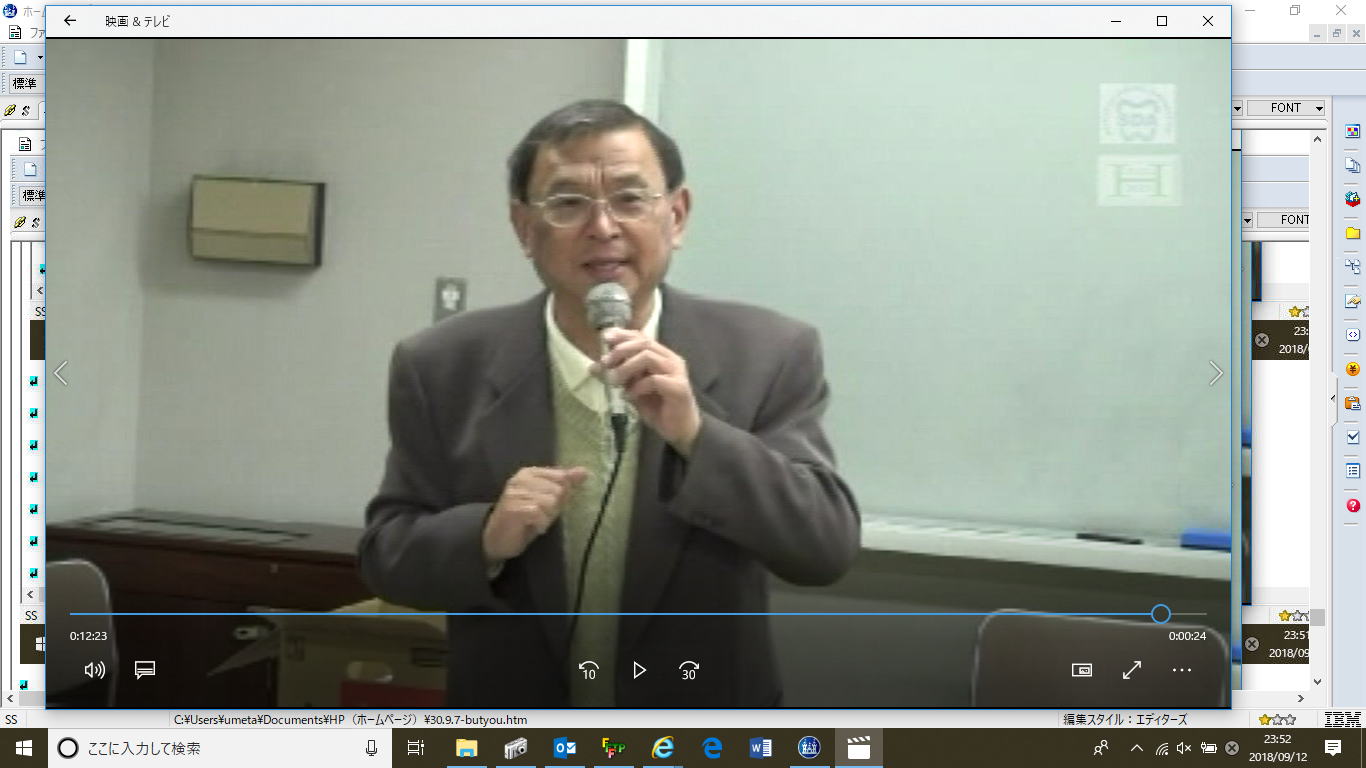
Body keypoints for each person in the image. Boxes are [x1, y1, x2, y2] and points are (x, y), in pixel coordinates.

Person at [359, 99, 860, 707]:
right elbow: (388, 557)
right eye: (568, 203)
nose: (602, 227)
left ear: (676, 215)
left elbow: (823, 549)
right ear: (524, 227)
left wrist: (697, 435)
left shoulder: (770, 352)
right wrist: (485, 536)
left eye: (629, 198)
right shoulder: (441, 365)